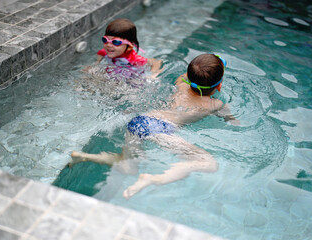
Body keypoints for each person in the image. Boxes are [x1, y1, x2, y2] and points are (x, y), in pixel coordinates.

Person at [70, 54, 238, 199]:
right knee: (208, 163)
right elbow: (229, 118)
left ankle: (84, 156)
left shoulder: (182, 85)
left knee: (128, 166)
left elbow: (185, 76)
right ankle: (153, 179)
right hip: (159, 129)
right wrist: (233, 120)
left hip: (139, 121)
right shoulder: (214, 104)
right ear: (219, 86)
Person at [94, 18, 162, 78]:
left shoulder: (133, 59)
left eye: (116, 42)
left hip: (133, 78)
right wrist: (96, 63)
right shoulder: (106, 51)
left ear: (129, 47)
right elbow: (101, 54)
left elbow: (156, 62)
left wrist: (153, 75)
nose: (108, 45)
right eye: (105, 40)